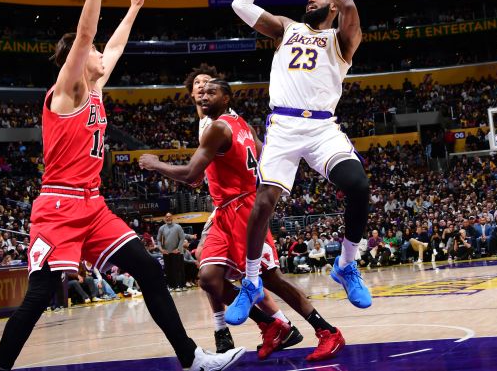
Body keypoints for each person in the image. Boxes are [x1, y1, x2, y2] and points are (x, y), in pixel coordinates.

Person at [0, 0, 244, 371]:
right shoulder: (67, 91)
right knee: (38, 295)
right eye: (91, 51)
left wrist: (133, 11)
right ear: (75, 57)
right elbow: (87, 32)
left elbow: (114, 46)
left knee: (147, 268)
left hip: (93, 204)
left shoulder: (94, 86)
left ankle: (191, 358)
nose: (99, 54)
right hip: (59, 205)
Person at [140, 80, 344, 362]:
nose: (205, 96)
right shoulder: (241, 124)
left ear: (226, 99)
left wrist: (155, 164)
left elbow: (189, 175)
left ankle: (327, 330)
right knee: (209, 279)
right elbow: (264, 154)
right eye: (202, 92)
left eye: (213, 92)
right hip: (224, 210)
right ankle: (271, 324)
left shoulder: (219, 128)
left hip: (243, 209)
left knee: (271, 278)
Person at [227, 0, 372, 320]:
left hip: (323, 129)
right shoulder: (287, 28)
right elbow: (240, 4)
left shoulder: (342, 39)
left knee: (359, 187)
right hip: (284, 128)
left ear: (331, 8)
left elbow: (350, 4)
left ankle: (345, 264)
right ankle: (252, 280)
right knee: (262, 206)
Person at [182, 66, 302, 354]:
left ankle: (269, 324)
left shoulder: (222, 124)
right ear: (191, 93)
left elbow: (197, 171)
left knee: (242, 273)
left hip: (236, 203)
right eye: (197, 84)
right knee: (214, 270)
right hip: (226, 203)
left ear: (221, 96)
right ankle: (240, 326)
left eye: (208, 85)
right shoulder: (208, 124)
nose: (202, 87)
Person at [158, 213, 186, 291]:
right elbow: (158, 240)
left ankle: (180, 285)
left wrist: (178, 248)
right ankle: (171, 286)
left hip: (177, 252)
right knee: (168, 270)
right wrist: (161, 249)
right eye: (166, 217)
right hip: (166, 252)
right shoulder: (162, 228)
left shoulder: (178, 227)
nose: (168, 218)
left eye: (169, 216)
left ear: (172, 217)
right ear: (165, 218)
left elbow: (182, 238)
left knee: (178, 269)